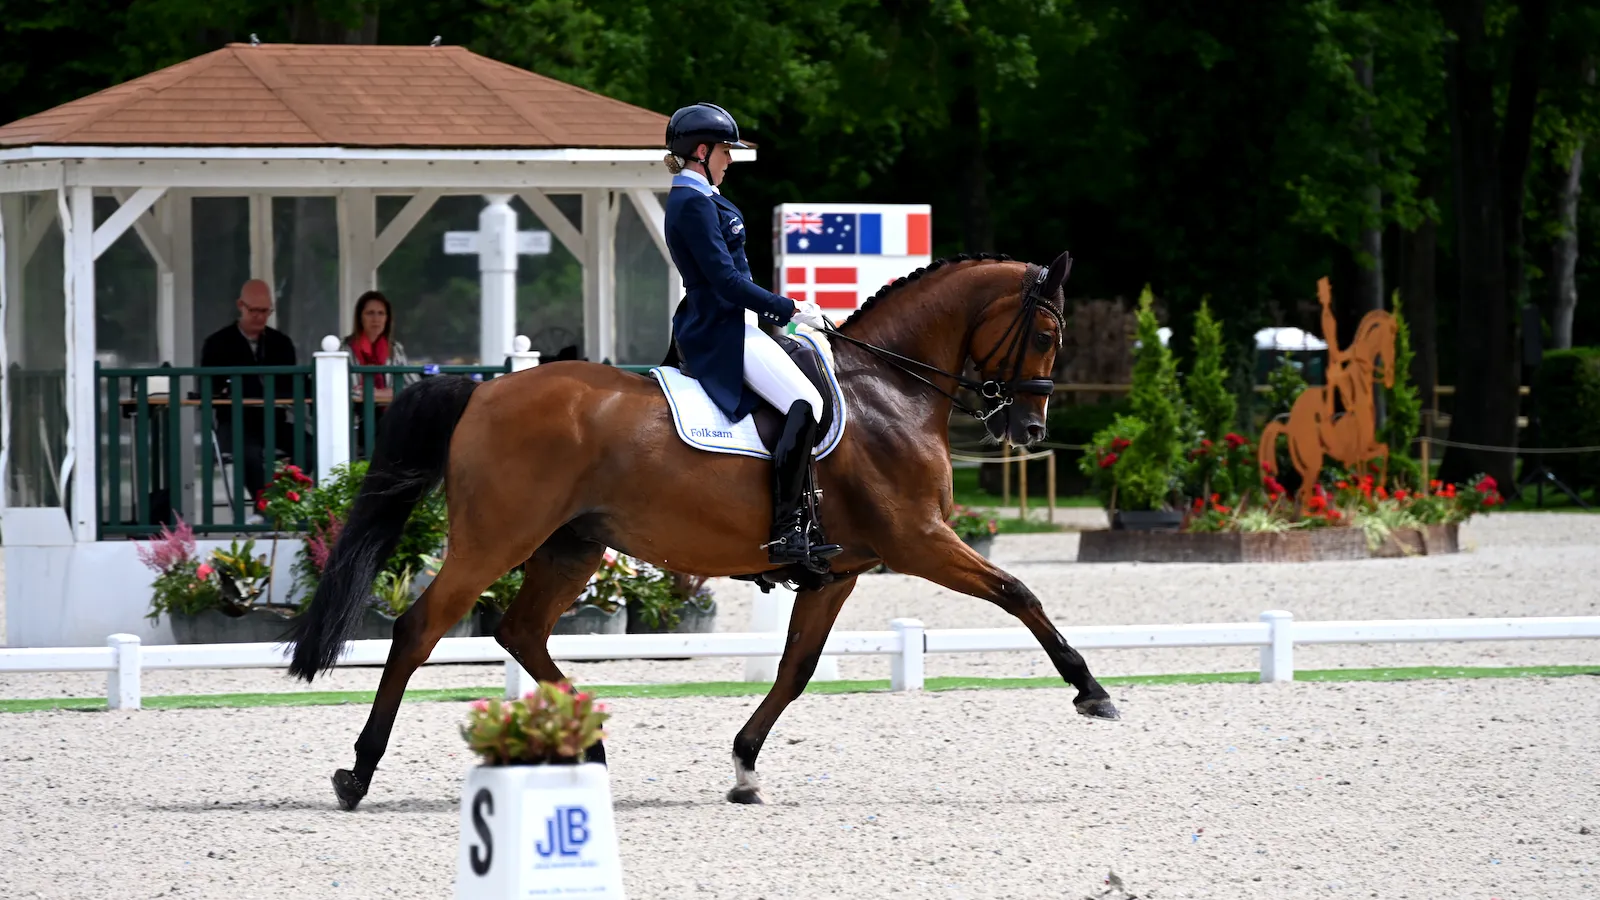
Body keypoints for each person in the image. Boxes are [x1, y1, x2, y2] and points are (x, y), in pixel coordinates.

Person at [661, 101, 841, 573]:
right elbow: (724, 281)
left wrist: (777, 318)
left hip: (737, 320)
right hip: (720, 325)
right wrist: (792, 310)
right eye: (725, 150)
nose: (730, 159)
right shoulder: (691, 202)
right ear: (700, 151)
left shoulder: (703, 197)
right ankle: (786, 529)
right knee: (808, 404)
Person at [199, 279, 312, 505]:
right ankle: (265, 508)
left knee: (309, 447)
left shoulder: (281, 343)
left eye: (266, 311)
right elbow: (207, 389)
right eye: (254, 310)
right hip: (235, 422)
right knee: (247, 454)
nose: (260, 316)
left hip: (273, 421)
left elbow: (294, 383)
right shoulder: (217, 344)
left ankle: (279, 498)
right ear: (240, 305)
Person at [338, 290, 416, 394]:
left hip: (390, 409)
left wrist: (386, 393)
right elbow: (338, 387)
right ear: (360, 318)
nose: (376, 319)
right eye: (370, 313)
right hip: (353, 409)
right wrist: (372, 393)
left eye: (381, 313)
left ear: (387, 319)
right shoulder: (343, 348)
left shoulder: (395, 348)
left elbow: (414, 385)